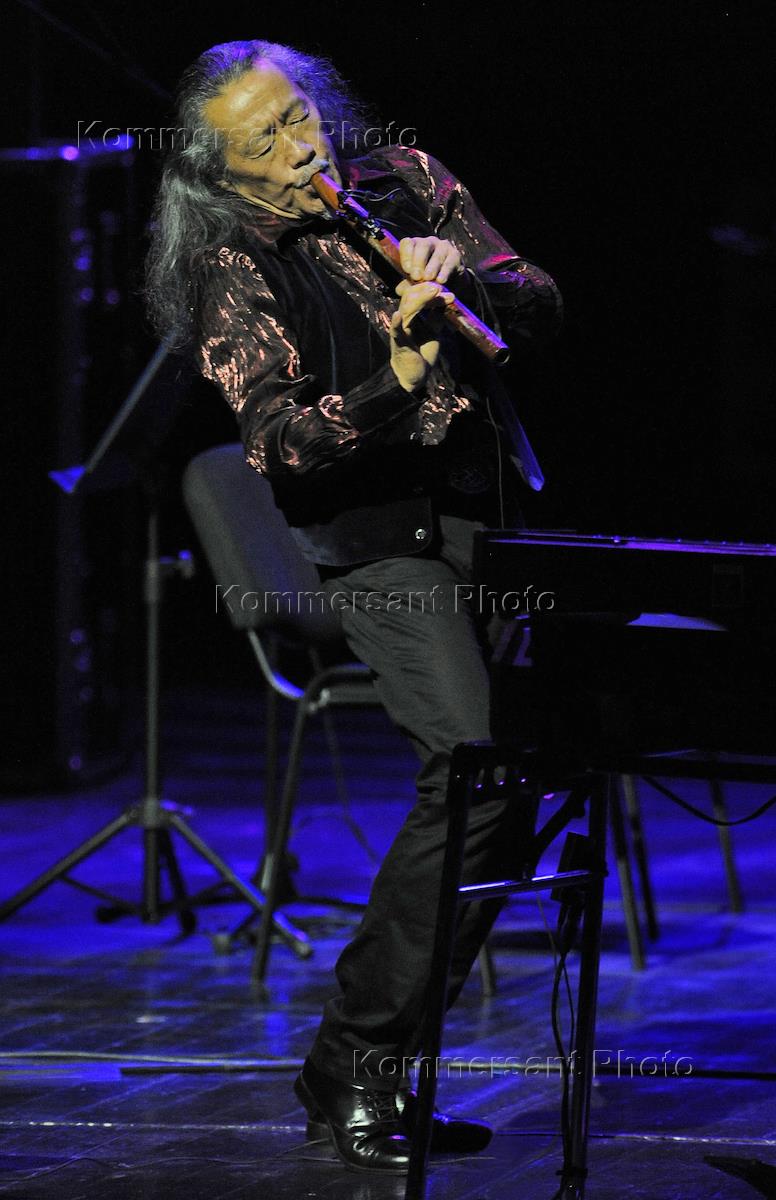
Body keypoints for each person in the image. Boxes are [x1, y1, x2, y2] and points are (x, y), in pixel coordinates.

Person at [146, 39, 562, 1174]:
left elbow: (540, 303)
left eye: (299, 115)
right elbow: (280, 444)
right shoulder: (233, 261)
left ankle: (367, 1062)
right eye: (265, 140)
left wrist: (465, 280)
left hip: (486, 515)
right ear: (224, 172)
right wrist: (397, 379)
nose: (299, 148)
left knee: (512, 789)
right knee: (470, 764)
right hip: (376, 544)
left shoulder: (406, 181)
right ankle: (359, 1057)